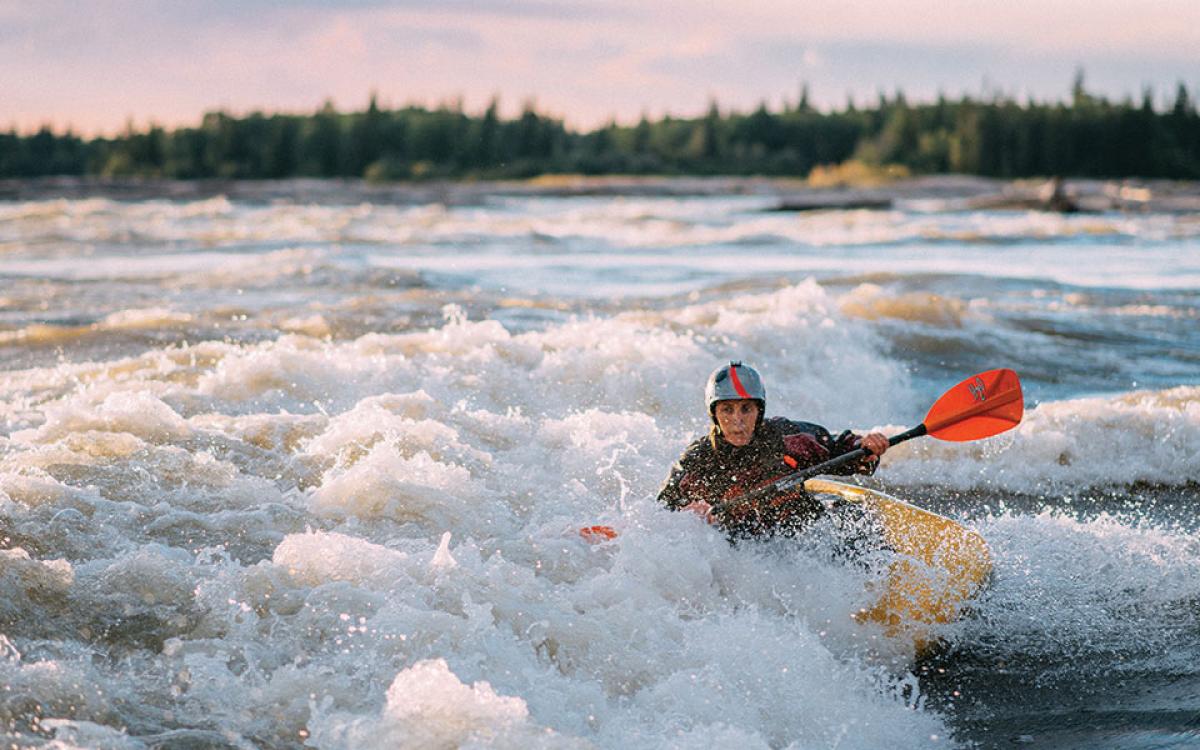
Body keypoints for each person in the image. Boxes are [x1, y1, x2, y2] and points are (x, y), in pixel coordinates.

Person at [656, 361, 889, 539]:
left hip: (801, 532)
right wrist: (688, 514)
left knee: (852, 515)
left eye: (746, 409)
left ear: (759, 411)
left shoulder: (787, 437)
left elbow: (843, 448)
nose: (737, 421)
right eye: (727, 410)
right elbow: (663, 511)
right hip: (744, 546)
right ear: (714, 414)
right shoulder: (699, 459)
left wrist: (866, 447)